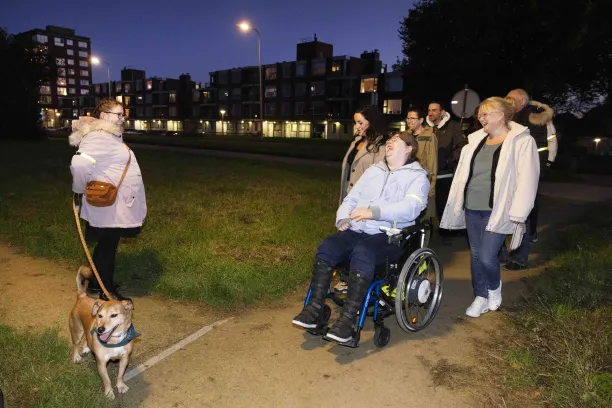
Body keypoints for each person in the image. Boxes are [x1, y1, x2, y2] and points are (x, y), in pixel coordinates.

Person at [293, 131, 429, 344]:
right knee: (328, 246)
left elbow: (410, 208)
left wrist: (374, 212)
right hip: (358, 229)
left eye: (396, 140)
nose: (390, 141)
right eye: (389, 139)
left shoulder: (417, 177)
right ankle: (314, 310)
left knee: (363, 252)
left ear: (409, 148)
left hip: (389, 236)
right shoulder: (375, 170)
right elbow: (351, 198)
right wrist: (342, 218)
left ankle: (347, 323)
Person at [440, 97, 539, 318]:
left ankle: (493, 288)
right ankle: (480, 296)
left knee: (486, 256)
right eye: (480, 114)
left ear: (500, 115)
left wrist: (519, 214)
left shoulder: (521, 142)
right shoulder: (475, 142)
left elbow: (528, 179)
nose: (480, 118)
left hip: (499, 209)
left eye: (485, 114)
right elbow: (464, 176)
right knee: (475, 255)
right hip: (472, 208)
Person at [69, 99, 147, 301]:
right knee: (108, 246)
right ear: (103, 117)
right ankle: (106, 291)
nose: (122, 118)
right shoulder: (100, 137)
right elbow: (79, 164)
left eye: (123, 114)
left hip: (113, 204)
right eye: (118, 115)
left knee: (107, 244)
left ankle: (97, 285)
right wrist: (78, 189)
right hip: (109, 204)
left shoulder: (109, 136)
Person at [503, 89, 557, 270]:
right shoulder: (510, 118)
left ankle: (519, 257)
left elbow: (548, 143)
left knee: (521, 215)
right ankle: (507, 253)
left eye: (511, 99)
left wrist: (546, 164)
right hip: (511, 172)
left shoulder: (535, 118)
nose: (507, 101)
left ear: (522, 101)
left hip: (527, 173)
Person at [425, 101, 467, 234]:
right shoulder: (426, 128)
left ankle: (448, 229)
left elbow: (463, 146)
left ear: (442, 112)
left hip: (445, 173)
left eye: (434, 110)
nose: (430, 113)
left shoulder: (453, 126)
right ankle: (429, 228)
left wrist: (448, 160)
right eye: (429, 110)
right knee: (429, 204)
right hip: (428, 174)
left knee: (444, 203)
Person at [339, 106, 389, 205]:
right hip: (348, 194)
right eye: (355, 122)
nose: (356, 126)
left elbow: (379, 178)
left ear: (371, 122)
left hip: (364, 199)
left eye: (360, 123)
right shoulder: (356, 142)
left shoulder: (381, 145)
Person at [407, 106, 438, 220]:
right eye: (408, 118)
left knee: (423, 220)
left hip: (422, 182)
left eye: (413, 118)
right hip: (406, 182)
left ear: (421, 120)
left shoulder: (429, 136)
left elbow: (432, 162)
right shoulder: (405, 136)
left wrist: (431, 186)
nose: (409, 121)